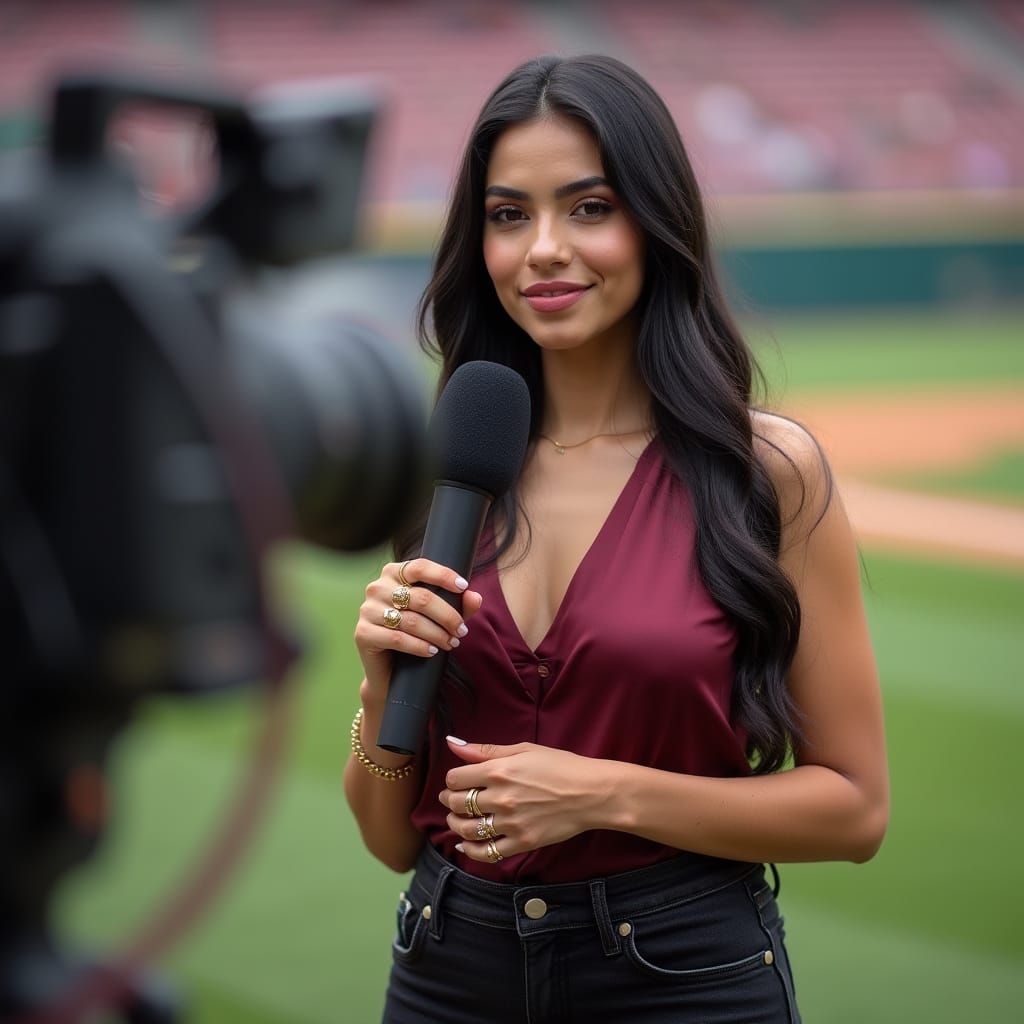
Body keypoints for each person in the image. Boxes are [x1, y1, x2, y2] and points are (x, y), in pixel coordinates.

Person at [344, 54, 888, 1024]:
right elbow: (391, 835)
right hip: (443, 970)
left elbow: (853, 808)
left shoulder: (766, 472)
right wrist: (383, 682)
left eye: (587, 207)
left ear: (655, 222)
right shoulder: (449, 473)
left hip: (684, 979)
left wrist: (601, 793)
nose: (543, 247)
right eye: (509, 215)